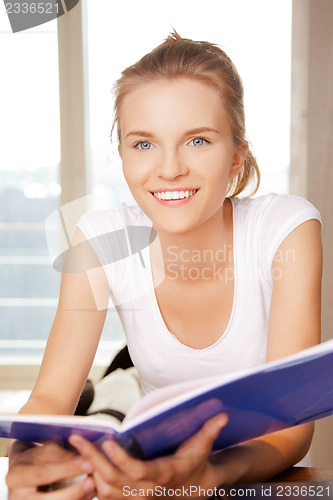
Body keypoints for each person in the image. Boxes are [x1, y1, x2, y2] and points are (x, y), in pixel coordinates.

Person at [6, 31, 322, 499]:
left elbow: (291, 428)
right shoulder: (100, 239)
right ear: (122, 156)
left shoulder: (286, 228)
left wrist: (209, 477)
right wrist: (25, 466)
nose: (169, 169)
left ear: (237, 156)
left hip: (255, 481)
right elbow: (50, 399)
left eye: (197, 140)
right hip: (148, 484)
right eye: (144, 144)